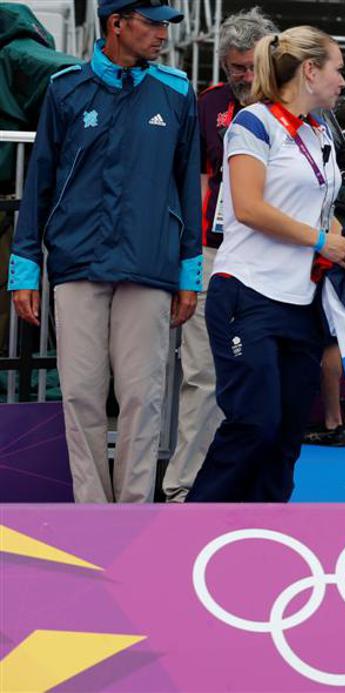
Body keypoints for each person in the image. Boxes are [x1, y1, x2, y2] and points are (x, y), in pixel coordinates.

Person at [8, 0, 200, 503]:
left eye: (165, 24)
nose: (163, 34)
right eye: (153, 23)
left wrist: (189, 272)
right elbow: (39, 185)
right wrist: (24, 269)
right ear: (117, 24)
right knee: (80, 396)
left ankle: (133, 515)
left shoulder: (177, 93)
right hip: (77, 262)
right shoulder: (65, 89)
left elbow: (186, 189)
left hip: (149, 265)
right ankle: (92, 517)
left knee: (142, 397)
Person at [187, 26, 345, 502]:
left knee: (284, 439)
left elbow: (316, 206)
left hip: (301, 301)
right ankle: (188, 534)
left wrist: (343, 240)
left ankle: (264, 544)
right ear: (310, 70)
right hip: (248, 293)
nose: (343, 81)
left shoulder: (319, 130)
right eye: (338, 69)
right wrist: (322, 241)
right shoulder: (253, 123)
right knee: (253, 425)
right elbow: (249, 207)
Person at [163, 6, 278, 503]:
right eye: (236, 67)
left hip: (274, 261)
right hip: (215, 253)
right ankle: (184, 490)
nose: (245, 77)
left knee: (262, 377)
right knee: (201, 375)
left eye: (253, 66)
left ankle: (253, 489)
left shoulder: (297, 111)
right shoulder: (207, 104)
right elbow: (195, 182)